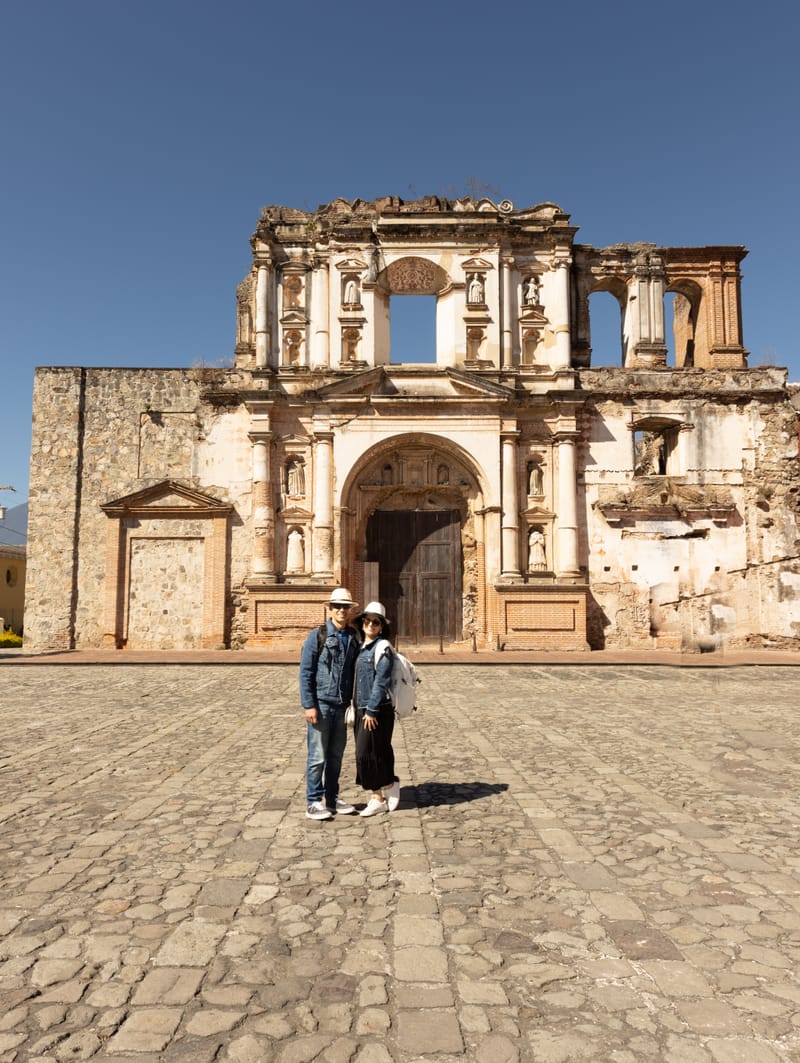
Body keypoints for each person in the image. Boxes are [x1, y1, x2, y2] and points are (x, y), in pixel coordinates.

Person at [299, 588, 361, 820]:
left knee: (336, 756)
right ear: (330, 609)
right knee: (317, 756)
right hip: (322, 704)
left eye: (345, 607)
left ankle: (332, 797)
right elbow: (306, 671)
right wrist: (309, 704)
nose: (341, 611)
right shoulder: (318, 635)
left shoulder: (353, 637)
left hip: (342, 706)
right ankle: (313, 801)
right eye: (337, 606)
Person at [353, 601, 400, 817]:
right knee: (373, 751)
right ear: (362, 623)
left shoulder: (383, 648)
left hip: (377, 708)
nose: (371, 625)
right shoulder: (361, 647)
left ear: (381, 626)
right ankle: (389, 784)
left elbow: (381, 681)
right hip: (362, 706)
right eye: (368, 620)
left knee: (368, 753)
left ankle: (377, 797)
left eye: (376, 622)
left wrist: (371, 710)